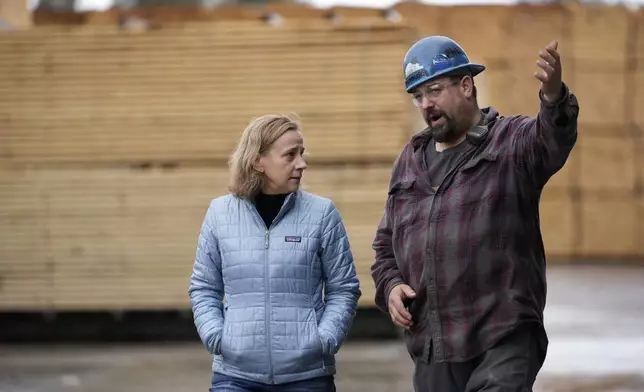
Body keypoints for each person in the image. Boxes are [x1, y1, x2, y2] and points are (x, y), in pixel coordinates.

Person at [370, 35, 578, 391]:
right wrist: (390, 286)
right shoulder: (410, 162)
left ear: (466, 85)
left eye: (434, 90)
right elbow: (385, 245)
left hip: (502, 336)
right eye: (418, 95)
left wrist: (553, 97)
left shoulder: (510, 141)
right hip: (435, 347)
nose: (425, 104)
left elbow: (551, 140)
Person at [189, 114, 361, 392]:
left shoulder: (321, 213)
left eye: (301, 154)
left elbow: (344, 288)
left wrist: (324, 340)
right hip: (235, 376)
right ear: (258, 160)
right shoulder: (220, 214)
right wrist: (217, 337)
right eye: (290, 155)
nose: (301, 164)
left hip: (307, 377)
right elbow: (203, 287)